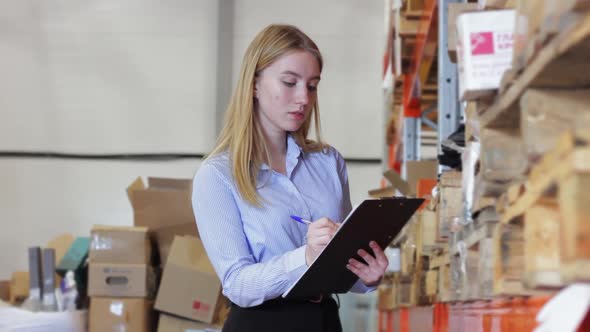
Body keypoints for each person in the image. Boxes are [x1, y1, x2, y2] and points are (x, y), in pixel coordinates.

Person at [192, 24, 388, 332]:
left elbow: (343, 263)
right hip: (261, 324)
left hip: (325, 319)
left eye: (312, 86)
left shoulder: (328, 163)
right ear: (254, 84)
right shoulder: (217, 176)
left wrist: (367, 276)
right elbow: (236, 284)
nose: (303, 98)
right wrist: (305, 257)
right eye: (289, 82)